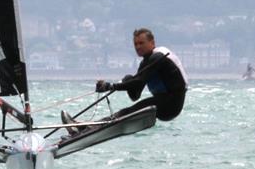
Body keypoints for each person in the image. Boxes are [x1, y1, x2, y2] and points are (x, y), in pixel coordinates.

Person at [61, 28, 189, 134]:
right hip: (163, 101)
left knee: (127, 112)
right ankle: (85, 127)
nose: (138, 47)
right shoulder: (146, 63)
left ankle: (85, 128)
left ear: (152, 43)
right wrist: (128, 81)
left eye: (141, 43)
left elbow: (138, 83)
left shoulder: (158, 56)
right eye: (135, 44)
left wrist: (110, 86)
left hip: (172, 103)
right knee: (128, 111)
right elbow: (135, 95)